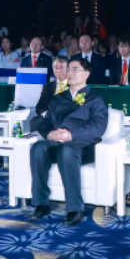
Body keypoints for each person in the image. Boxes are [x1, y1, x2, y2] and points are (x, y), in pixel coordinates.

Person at [29, 58, 108, 226]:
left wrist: (71, 135)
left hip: (83, 145)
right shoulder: (58, 98)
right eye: (69, 70)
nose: (70, 73)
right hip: (58, 141)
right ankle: (41, 203)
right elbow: (45, 122)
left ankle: (75, 209)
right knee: (38, 147)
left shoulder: (95, 99)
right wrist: (50, 133)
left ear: (86, 74)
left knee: (67, 151)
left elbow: (98, 127)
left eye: (75, 69)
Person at [31, 57, 70, 131]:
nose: (58, 70)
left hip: (66, 118)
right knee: (35, 121)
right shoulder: (48, 86)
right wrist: (48, 115)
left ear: (68, 69)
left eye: (61, 67)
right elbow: (39, 107)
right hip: (49, 118)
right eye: (55, 67)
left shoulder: (74, 85)